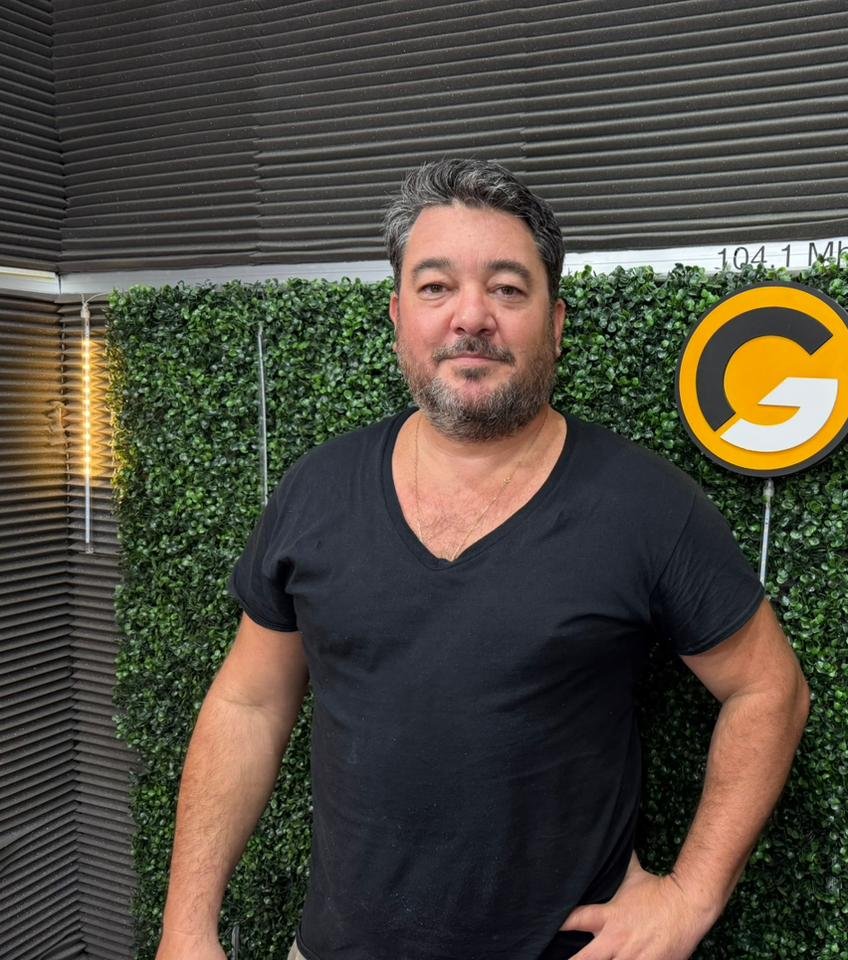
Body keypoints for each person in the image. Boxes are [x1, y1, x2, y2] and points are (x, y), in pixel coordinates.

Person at [155, 158, 811, 960]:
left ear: (556, 323)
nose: (471, 317)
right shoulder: (316, 490)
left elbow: (768, 688)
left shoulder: (646, 506)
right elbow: (248, 705)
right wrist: (185, 928)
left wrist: (691, 897)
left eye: (507, 288)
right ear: (398, 315)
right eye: (436, 287)